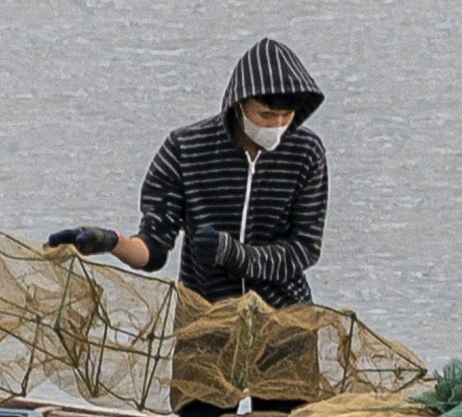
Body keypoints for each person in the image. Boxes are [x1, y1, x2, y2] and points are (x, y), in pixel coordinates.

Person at [118, 39, 328, 306]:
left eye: (286, 115)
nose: (277, 124)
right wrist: (113, 243)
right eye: (265, 114)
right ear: (239, 104)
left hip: (285, 318)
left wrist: (235, 255)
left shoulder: (306, 151)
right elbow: (154, 248)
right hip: (204, 315)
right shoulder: (185, 148)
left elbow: (305, 248)